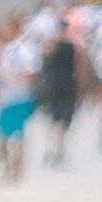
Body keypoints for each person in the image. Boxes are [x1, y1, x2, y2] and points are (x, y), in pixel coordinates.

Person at [0, 11, 46, 182]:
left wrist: (13, 77)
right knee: (1, 138)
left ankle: (16, 173)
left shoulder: (26, 48)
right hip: (5, 97)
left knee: (16, 138)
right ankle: (8, 169)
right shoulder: (6, 47)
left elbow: (31, 72)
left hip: (20, 97)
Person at [38, 10, 86, 169]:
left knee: (53, 119)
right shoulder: (74, 46)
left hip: (52, 85)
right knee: (63, 120)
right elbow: (79, 69)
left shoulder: (49, 45)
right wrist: (80, 87)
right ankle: (58, 150)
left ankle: (52, 149)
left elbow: (42, 66)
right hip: (67, 84)